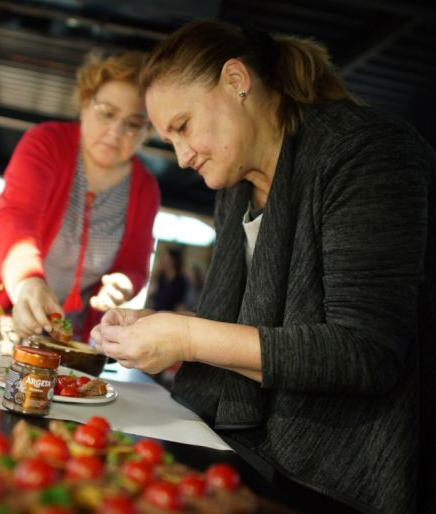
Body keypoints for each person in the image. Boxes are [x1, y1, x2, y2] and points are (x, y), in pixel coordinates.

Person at [91, 20, 435, 513]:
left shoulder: (366, 152)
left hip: (344, 475)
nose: (182, 158)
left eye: (184, 126)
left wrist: (187, 337)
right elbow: (256, 331)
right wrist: (163, 326)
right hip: (256, 457)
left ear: (236, 81)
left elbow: (366, 352)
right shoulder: (235, 189)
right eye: (170, 141)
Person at [0, 52, 160, 340]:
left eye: (134, 123)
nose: (117, 131)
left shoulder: (145, 190)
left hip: (65, 332)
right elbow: (14, 217)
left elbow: (135, 266)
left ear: (148, 130)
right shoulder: (47, 143)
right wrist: (28, 280)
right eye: (107, 112)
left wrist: (124, 283)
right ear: (85, 103)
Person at [146, 246, 189, 312]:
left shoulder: (181, 281)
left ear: (173, 261)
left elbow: (180, 304)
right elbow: (151, 296)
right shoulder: (160, 277)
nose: (162, 261)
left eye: (165, 258)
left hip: (169, 315)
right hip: (155, 313)